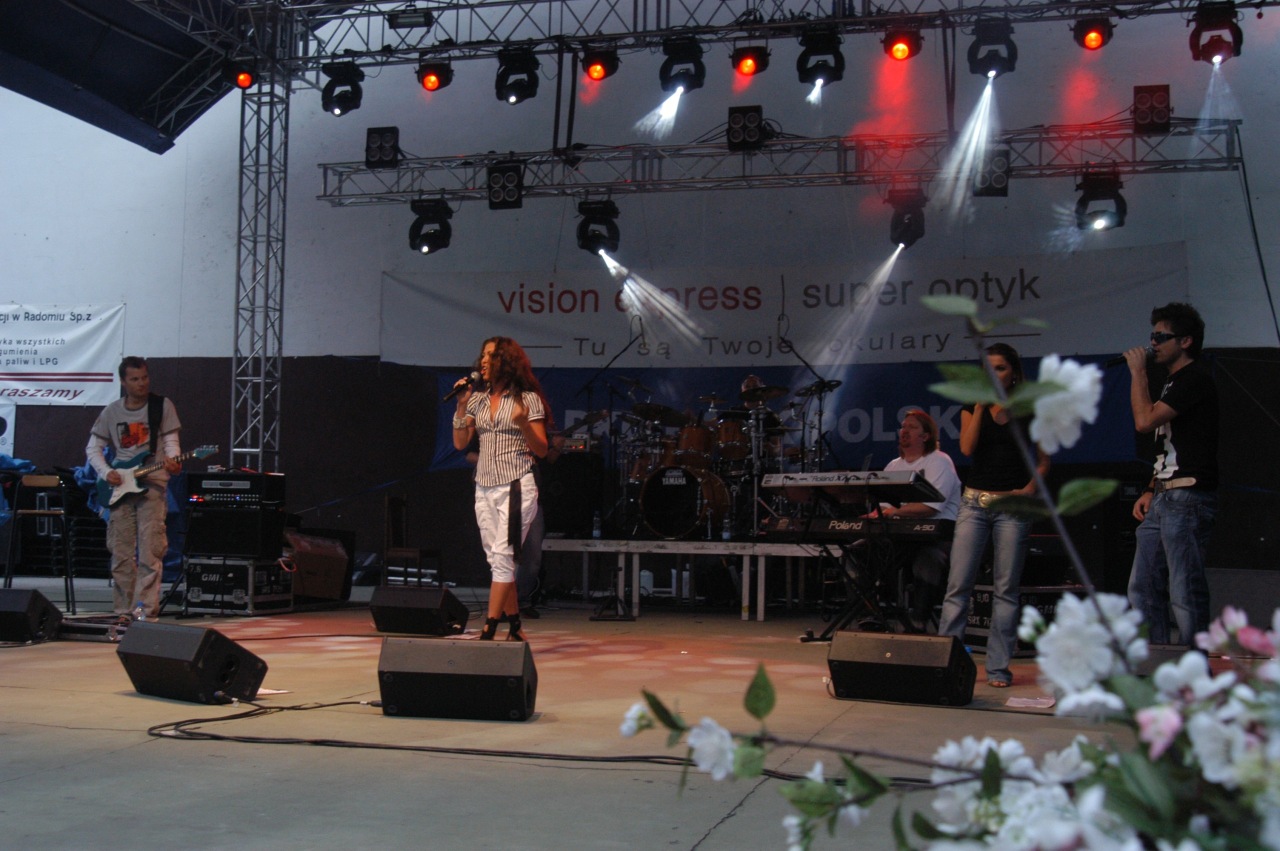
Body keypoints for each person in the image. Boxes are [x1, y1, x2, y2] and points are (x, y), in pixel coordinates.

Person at [937, 343, 1050, 688]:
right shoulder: (973, 405)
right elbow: (967, 448)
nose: (992, 374)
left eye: (1000, 368)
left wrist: (1029, 490)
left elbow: (1044, 461)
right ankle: (944, 662)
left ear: (1013, 373)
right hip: (974, 502)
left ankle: (998, 668)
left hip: (1012, 506)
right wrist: (981, 405)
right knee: (958, 585)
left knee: (1006, 589)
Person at [1124, 302, 1218, 647]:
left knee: (1184, 588)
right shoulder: (1173, 381)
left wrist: (1138, 373)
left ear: (1186, 341)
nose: (1153, 343)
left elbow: (1144, 421)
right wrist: (1151, 488)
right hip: (1165, 494)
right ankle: (1157, 661)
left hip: (1187, 496)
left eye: (1162, 337)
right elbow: (1168, 447)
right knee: (1142, 586)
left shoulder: (1195, 378)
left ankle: (1194, 667)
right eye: (1152, 336)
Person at [451, 337, 549, 641]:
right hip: (484, 485)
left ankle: (489, 628)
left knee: (504, 556)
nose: (483, 361)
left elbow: (542, 450)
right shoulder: (477, 400)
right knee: (495, 560)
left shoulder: (527, 399)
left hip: (516, 485)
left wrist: (524, 424)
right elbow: (460, 443)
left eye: (491, 356)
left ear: (505, 361)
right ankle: (515, 626)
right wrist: (461, 404)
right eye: (483, 355)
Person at [86, 357, 182, 626]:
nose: (141, 383)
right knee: (121, 552)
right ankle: (123, 611)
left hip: (152, 485)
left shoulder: (161, 406)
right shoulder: (112, 411)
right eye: (135, 379)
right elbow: (93, 448)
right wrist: (106, 472)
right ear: (123, 381)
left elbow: (171, 441)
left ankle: (145, 612)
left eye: (144, 377)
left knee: (151, 550)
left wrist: (174, 460)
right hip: (120, 487)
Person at [860, 409, 961, 631]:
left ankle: (918, 622)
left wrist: (892, 512)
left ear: (925, 436)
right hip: (900, 537)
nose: (905, 431)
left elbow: (930, 508)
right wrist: (876, 516)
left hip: (936, 537)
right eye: (903, 427)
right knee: (856, 553)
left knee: (929, 558)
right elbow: (883, 508)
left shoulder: (939, 461)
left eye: (912, 427)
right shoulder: (893, 466)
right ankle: (872, 615)